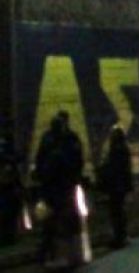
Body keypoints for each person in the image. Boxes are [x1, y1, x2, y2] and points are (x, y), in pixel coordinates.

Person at [34, 112, 87, 267]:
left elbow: (41, 161)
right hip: (65, 187)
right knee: (66, 221)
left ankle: (53, 255)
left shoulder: (50, 140)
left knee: (52, 222)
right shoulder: (70, 139)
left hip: (54, 188)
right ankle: (70, 255)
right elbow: (77, 162)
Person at [98, 126, 133, 248]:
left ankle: (119, 236)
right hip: (120, 185)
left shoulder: (115, 151)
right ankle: (122, 235)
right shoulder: (124, 150)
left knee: (116, 212)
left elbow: (113, 169)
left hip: (115, 186)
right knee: (119, 211)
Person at [0, 135, 24, 246]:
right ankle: (7, 236)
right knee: (7, 213)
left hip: (8, 187)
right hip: (6, 187)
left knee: (10, 212)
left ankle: (9, 236)